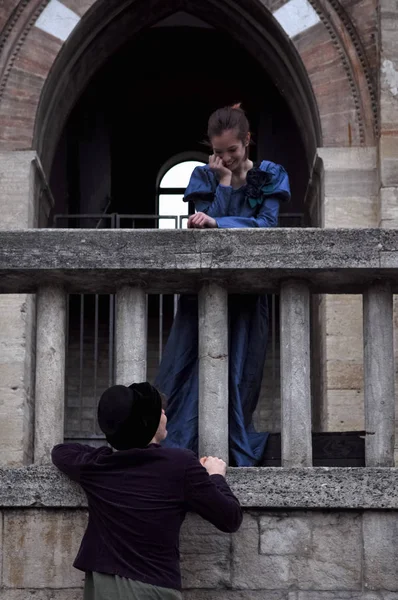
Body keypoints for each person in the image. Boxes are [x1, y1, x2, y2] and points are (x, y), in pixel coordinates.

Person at [155, 104, 290, 467]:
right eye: (219, 151)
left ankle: (222, 451)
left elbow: (266, 226)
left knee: (242, 370)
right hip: (203, 293)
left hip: (247, 295)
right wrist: (225, 185)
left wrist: (219, 219)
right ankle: (180, 450)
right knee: (184, 367)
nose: (226, 158)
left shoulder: (269, 176)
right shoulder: (205, 175)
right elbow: (202, 229)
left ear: (248, 141)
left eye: (233, 150)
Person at [52, 382, 242, 600]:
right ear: (149, 422)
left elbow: (61, 452)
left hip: (103, 587)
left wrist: (107, 454)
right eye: (160, 411)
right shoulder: (180, 464)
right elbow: (230, 517)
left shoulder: (98, 467)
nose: (165, 414)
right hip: (152, 589)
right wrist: (216, 475)